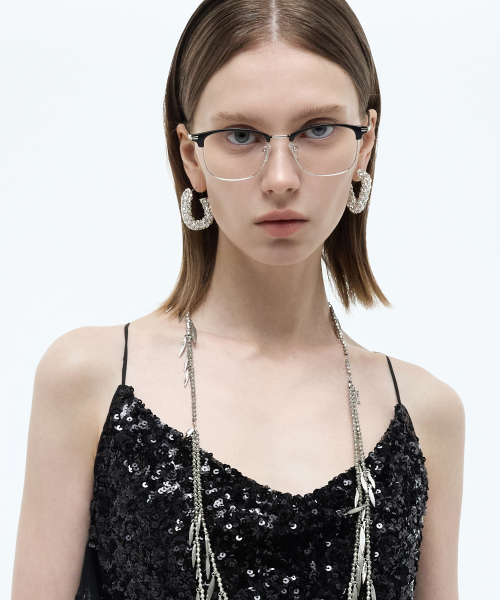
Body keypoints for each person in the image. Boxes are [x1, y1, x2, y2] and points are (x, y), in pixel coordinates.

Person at [11, 1, 465, 599]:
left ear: (364, 145)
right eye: (242, 135)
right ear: (192, 156)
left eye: (317, 130)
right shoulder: (90, 380)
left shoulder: (426, 415)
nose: (280, 178)